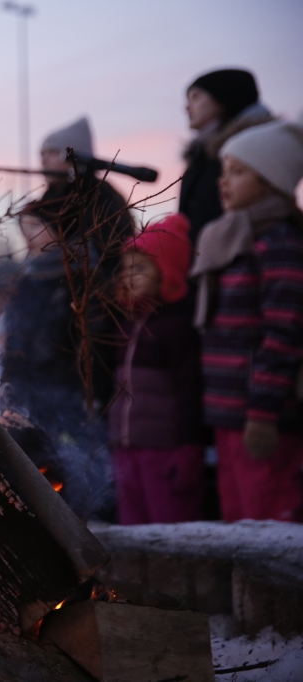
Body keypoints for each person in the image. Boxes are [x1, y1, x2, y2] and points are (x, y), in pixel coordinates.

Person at [190, 119, 303, 522]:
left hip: (263, 418)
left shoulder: (281, 246)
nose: (224, 182)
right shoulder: (231, 238)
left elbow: (283, 336)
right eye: (224, 171)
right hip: (226, 411)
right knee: (235, 521)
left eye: (237, 172)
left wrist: (262, 413)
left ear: (272, 181)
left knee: (268, 520)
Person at [1, 204, 112, 518]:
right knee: (36, 466)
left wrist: (88, 392)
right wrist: (11, 383)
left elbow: (95, 340)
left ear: (59, 229)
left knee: (75, 466)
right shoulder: (27, 276)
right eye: (24, 227)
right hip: (31, 391)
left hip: (69, 392)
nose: (28, 236)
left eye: (36, 226)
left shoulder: (82, 274)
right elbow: (14, 336)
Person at [110, 213, 205, 524]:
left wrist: (188, 449)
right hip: (127, 448)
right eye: (126, 270)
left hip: (164, 451)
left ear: (167, 272)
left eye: (140, 269)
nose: (129, 277)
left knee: (169, 526)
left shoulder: (177, 326)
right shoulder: (127, 324)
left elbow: (190, 389)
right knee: (131, 525)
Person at [180, 69, 274, 246]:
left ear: (223, 97)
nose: (187, 107)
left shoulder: (255, 152)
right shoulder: (200, 156)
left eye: (196, 97)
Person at [39, 116, 135, 281]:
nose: (44, 160)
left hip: (97, 293)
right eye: (42, 153)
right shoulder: (49, 198)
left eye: (53, 152)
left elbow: (109, 252)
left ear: (73, 156)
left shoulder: (102, 196)